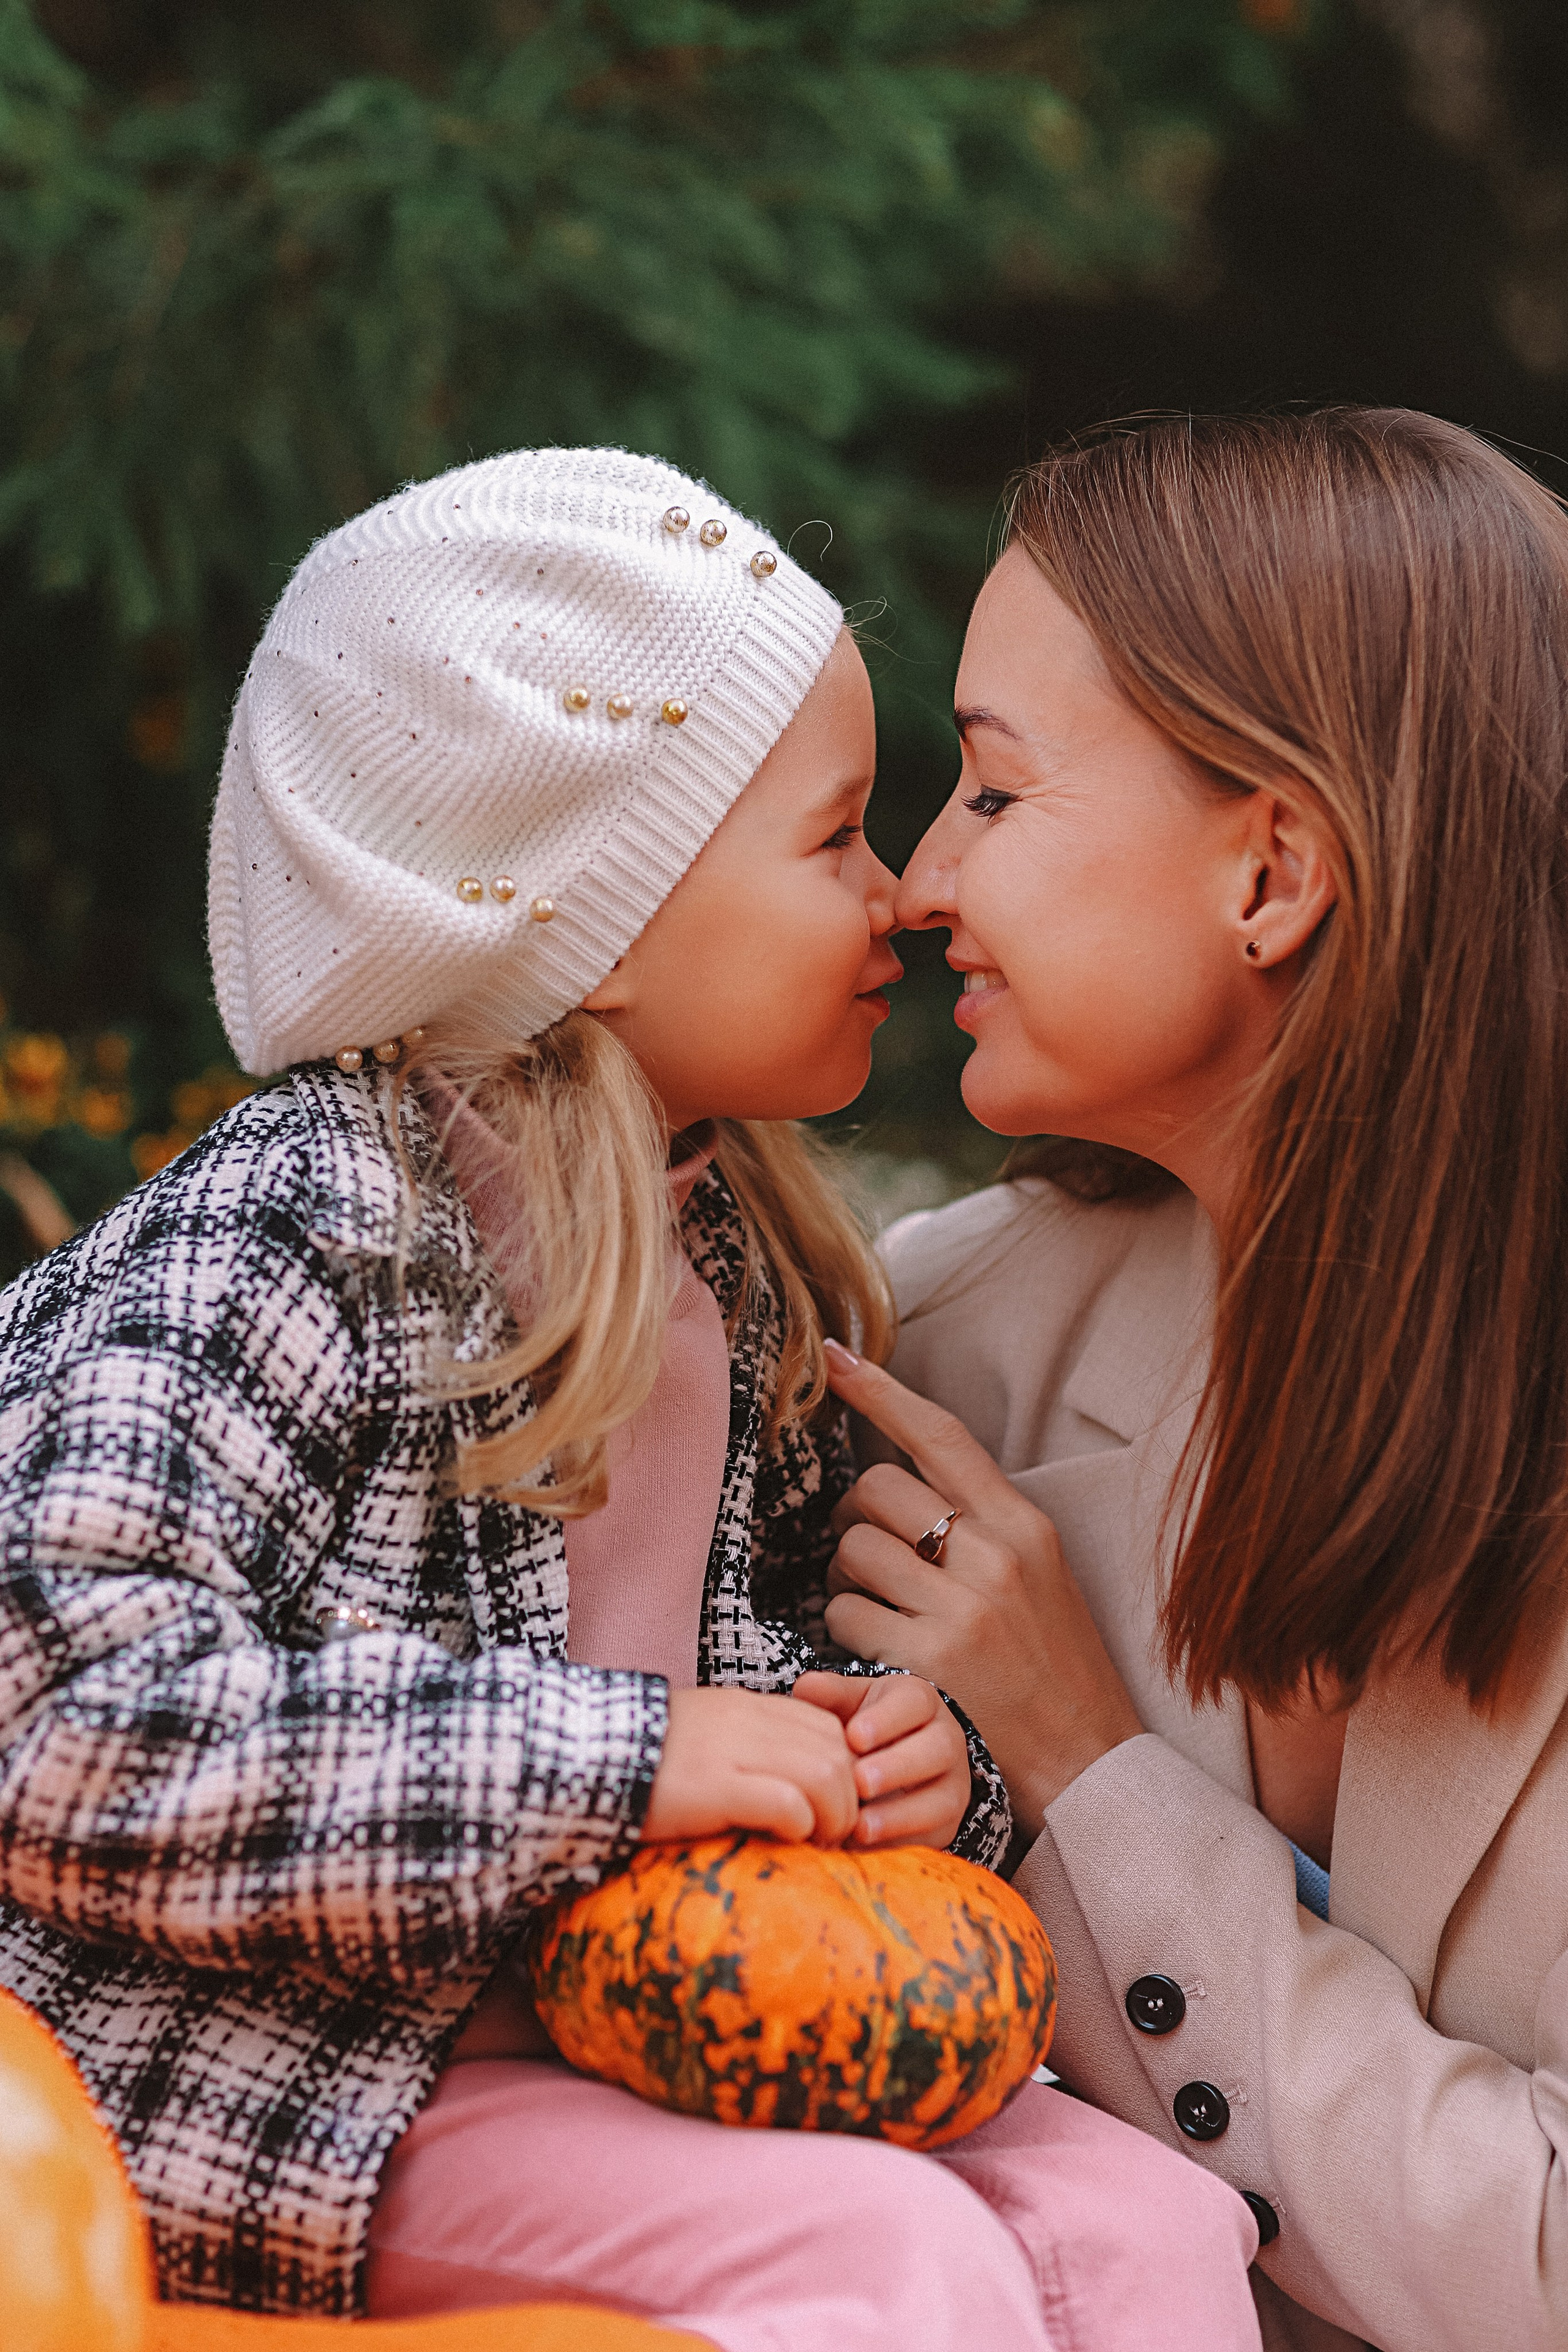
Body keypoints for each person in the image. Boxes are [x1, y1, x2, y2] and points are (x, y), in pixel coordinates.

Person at [0, 447, 1262, 2350]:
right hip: (297, 2075)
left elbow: (769, 1694)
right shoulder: (306, 1222)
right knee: (876, 2267)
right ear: (588, 913)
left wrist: (919, 1767)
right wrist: (626, 1762)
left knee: (1147, 2229)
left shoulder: (733, 1256)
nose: (902, 894)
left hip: (642, 2037)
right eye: (835, 835)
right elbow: (68, 1709)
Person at [820, 407, 1568, 2352]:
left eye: (991, 792)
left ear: (1278, 871)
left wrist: (1090, 1777)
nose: (913, 882)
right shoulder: (948, 1351)